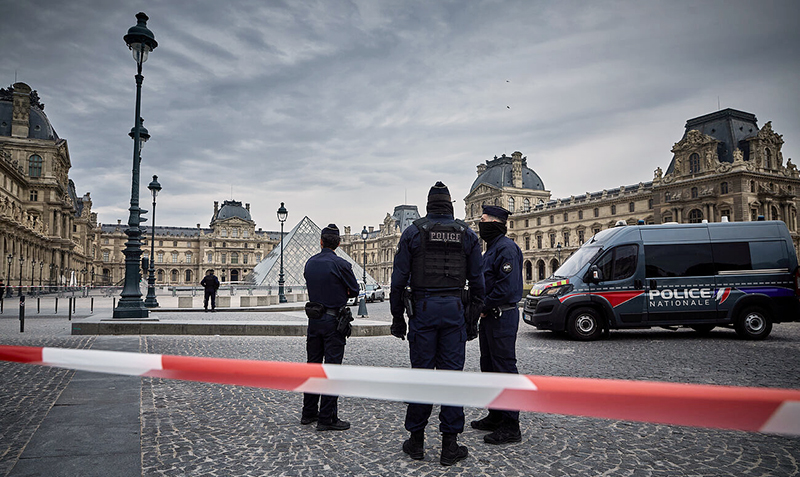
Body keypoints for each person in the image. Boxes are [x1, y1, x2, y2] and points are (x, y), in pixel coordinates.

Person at [390, 181, 485, 466]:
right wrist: (471, 321)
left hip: (423, 310)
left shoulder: (413, 232)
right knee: (451, 378)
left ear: (429, 205)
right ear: (451, 205)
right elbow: (479, 284)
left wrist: (398, 319)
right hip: (455, 309)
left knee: (421, 376)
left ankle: (416, 442)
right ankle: (449, 445)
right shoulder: (467, 234)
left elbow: (397, 283)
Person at [470, 205, 524, 444]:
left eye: (483, 220)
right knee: (489, 367)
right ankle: (495, 414)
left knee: (504, 369)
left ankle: (511, 425)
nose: (480, 224)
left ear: (495, 223)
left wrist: (482, 305)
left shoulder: (507, 249)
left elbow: (507, 288)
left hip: (502, 316)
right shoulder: (491, 249)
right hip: (491, 317)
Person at [302, 224, 359, 431]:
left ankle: (308, 413)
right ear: (339, 243)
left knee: (313, 367)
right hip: (333, 321)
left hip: (313, 320)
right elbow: (354, 290)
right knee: (331, 370)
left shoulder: (310, 262)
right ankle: (327, 418)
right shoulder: (341, 264)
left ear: (321, 241)